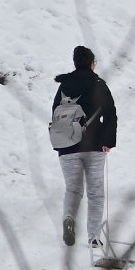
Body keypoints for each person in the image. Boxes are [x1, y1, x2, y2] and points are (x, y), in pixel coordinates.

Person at [50, 45, 117, 253]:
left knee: (73, 189)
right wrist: (108, 140)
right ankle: (94, 238)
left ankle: (69, 218)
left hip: (67, 146)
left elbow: (55, 112)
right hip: (94, 146)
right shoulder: (98, 84)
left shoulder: (63, 86)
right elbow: (111, 114)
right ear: (91, 63)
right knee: (95, 192)